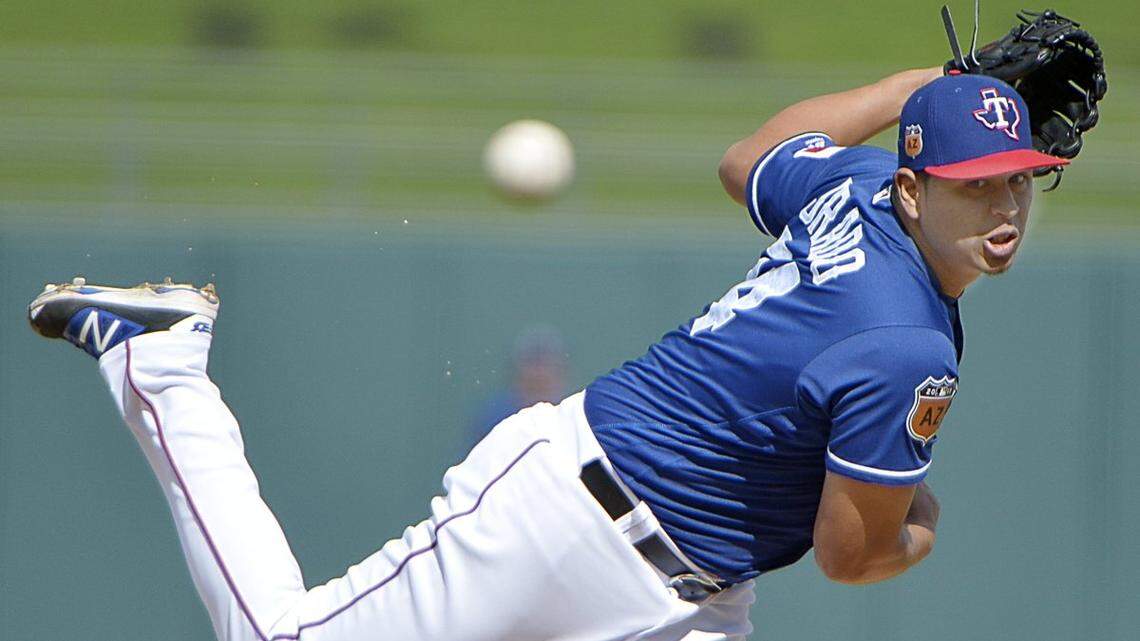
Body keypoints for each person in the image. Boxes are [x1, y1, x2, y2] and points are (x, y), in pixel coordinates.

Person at [27, 66, 1070, 641]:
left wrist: (926, 84)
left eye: (1019, 178)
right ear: (914, 187)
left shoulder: (856, 188)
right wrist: (922, 522)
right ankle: (163, 362)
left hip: (696, 600)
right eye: (976, 181)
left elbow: (749, 157)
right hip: (566, 520)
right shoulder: (904, 340)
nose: (1005, 205)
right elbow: (855, 553)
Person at [466, 326, 569, 449]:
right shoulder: (494, 419)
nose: (538, 373)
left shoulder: (574, 416)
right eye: (532, 365)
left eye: (545, 366)